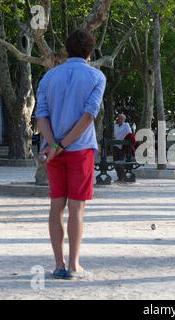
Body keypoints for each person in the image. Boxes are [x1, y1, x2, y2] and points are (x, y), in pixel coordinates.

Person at [35, 29, 107, 280]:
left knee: (56, 206)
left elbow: (41, 115)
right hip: (80, 148)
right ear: (90, 51)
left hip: (52, 150)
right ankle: (74, 266)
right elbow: (89, 115)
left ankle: (58, 264)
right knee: (77, 208)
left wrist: (54, 145)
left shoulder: (48, 78)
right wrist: (64, 145)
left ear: (66, 50)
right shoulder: (97, 77)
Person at [113, 114, 132, 182]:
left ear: (124, 119)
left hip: (122, 146)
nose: (119, 120)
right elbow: (115, 135)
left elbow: (129, 134)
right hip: (116, 146)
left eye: (121, 118)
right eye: (119, 118)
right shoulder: (115, 126)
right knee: (115, 162)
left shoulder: (126, 125)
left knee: (121, 162)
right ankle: (119, 177)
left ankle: (123, 177)